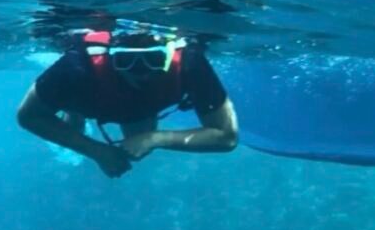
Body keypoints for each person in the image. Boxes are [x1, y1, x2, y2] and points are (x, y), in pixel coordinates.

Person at [17, 22, 238, 178]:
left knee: (140, 148)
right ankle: (75, 110)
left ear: (169, 56)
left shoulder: (190, 63)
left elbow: (227, 136)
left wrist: (156, 138)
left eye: (153, 59)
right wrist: (96, 151)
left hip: (135, 98)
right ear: (111, 57)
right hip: (88, 96)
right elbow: (28, 115)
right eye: (127, 60)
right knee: (76, 109)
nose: (140, 72)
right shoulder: (77, 67)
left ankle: (76, 108)